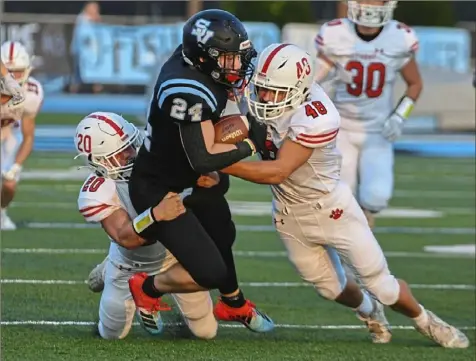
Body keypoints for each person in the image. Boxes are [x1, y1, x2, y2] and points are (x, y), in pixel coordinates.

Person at [221, 42, 469, 349]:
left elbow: (279, 171)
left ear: (299, 89)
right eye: (262, 89)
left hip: (333, 210)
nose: (266, 98)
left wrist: (221, 164)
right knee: (329, 289)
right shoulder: (262, 99)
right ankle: (368, 311)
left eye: (275, 92)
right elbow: (235, 127)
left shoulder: (317, 115)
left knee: (384, 288)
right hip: (289, 215)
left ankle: (425, 320)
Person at [127, 9, 274, 333]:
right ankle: (146, 288)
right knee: (209, 273)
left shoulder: (195, 62)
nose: (237, 65)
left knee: (223, 230)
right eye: (229, 58)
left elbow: (203, 159)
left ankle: (232, 303)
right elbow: (202, 158)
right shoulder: (186, 89)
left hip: (186, 176)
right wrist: (252, 141)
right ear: (205, 58)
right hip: (159, 188)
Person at [76, 112, 219, 340]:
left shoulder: (157, 161)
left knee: (206, 331)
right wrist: (154, 215)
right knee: (111, 334)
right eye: (121, 153)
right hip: (128, 264)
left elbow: (207, 177)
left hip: (173, 257)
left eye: (131, 145)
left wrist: (206, 178)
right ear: (99, 162)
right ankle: (109, 268)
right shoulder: (99, 189)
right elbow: (127, 239)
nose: (132, 154)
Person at [314, 0, 423, 228]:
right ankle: (348, 246)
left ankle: (363, 234)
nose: (368, 4)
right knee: (340, 198)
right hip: (341, 128)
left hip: (377, 130)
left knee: (376, 196)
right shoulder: (337, 33)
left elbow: (415, 85)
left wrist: (399, 116)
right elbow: (313, 80)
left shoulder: (398, 36)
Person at [1, 41, 43, 230]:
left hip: (10, 135)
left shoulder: (32, 93)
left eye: (17, 71)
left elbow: (28, 136)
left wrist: (16, 166)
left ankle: (1, 213)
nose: (12, 77)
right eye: (8, 71)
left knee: (9, 185)